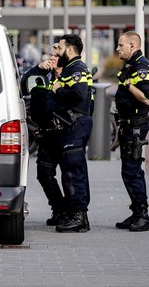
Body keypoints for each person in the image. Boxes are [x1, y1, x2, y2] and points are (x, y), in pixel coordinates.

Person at [48, 34, 93, 233]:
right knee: (70, 172)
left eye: (61, 47)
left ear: (71, 49)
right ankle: (75, 214)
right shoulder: (69, 69)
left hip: (75, 125)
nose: (58, 51)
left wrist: (58, 90)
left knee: (74, 172)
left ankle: (79, 216)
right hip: (71, 126)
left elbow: (79, 94)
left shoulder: (77, 68)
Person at [114, 31, 149, 232]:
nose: (117, 48)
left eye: (121, 45)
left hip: (136, 126)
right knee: (128, 170)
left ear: (133, 45)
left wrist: (130, 84)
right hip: (128, 125)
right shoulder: (131, 64)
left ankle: (143, 215)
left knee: (132, 171)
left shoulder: (142, 66)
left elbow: (147, 98)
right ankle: (136, 212)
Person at [24, 44, 68, 226]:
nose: (51, 58)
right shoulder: (44, 75)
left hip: (65, 134)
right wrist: (37, 69)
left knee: (69, 176)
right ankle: (58, 208)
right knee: (44, 173)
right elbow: (23, 85)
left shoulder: (70, 77)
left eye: (55, 56)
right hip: (47, 134)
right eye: (50, 55)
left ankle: (72, 212)